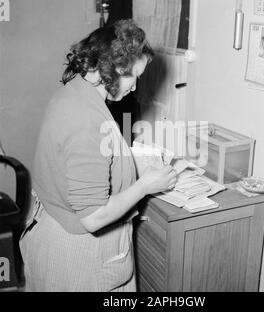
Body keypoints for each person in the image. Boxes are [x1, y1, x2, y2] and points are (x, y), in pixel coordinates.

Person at [19, 19, 177, 292]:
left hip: (52, 226)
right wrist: (145, 186)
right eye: (135, 76)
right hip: (78, 256)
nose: (136, 87)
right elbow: (93, 217)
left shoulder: (74, 93)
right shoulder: (87, 121)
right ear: (116, 67)